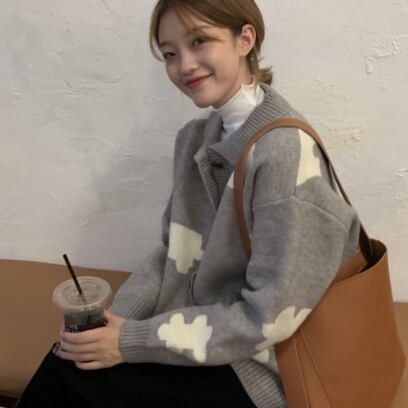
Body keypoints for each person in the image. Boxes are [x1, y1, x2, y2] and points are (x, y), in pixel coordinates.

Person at [16, 0, 361, 407]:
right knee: (73, 357)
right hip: (200, 338)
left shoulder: (285, 154)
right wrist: (113, 326)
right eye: (170, 53)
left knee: (72, 379)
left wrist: (129, 340)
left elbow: (268, 317)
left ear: (245, 39)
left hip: (262, 368)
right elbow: (172, 255)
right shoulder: (195, 139)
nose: (185, 65)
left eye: (199, 41)